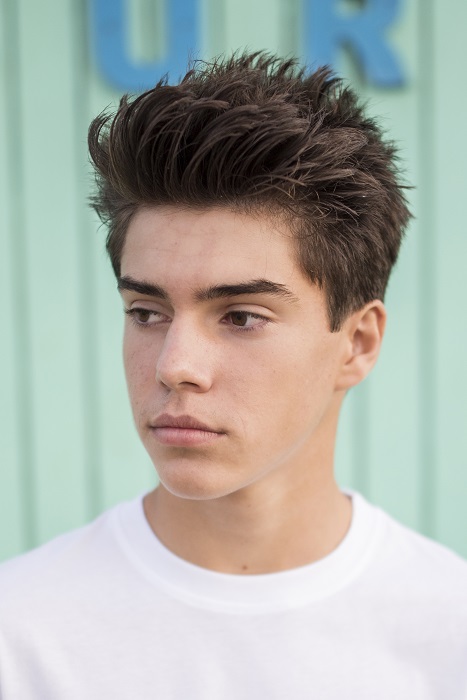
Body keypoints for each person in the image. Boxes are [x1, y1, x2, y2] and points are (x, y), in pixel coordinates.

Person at [0, 52, 466, 699]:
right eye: (146, 312)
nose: (174, 366)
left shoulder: (448, 632)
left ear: (357, 343)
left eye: (241, 317)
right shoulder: (20, 633)